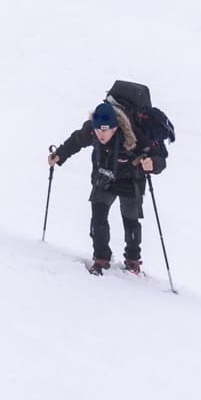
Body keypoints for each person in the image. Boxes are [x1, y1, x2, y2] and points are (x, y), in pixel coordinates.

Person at [48, 101, 160, 274]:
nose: (100, 133)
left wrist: (152, 164)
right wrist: (59, 155)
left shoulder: (132, 137)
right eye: (98, 129)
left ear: (115, 128)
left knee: (131, 222)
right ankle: (101, 259)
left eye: (104, 130)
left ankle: (133, 261)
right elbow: (77, 140)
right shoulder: (92, 129)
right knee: (98, 219)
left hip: (130, 181)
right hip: (104, 177)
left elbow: (158, 157)